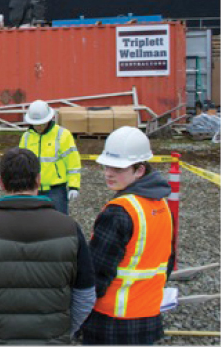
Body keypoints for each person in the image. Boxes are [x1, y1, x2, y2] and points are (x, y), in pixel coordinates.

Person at [0, 147, 96, 344]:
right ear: (39, 179)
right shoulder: (70, 228)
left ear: (1, 182)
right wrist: (62, 332)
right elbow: (86, 295)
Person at [81, 126, 174, 345]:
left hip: (112, 320)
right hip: (148, 317)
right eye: (106, 166)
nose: (108, 173)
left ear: (140, 170)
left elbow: (97, 272)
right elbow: (168, 260)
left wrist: (79, 310)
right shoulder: (161, 205)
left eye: (118, 168)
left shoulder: (120, 210)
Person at [19, 100, 81, 214]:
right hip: (32, 188)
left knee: (58, 223)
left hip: (56, 189)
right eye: (35, 124)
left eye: (41, 124)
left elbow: (73, 162)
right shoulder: (26, 137)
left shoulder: (63, 135)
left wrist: (74, 186)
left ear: (49, 119)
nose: (38, 127)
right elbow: (21, 163)